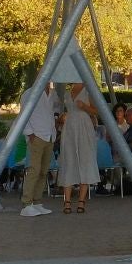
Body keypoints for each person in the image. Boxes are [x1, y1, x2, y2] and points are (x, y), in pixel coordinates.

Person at [54, 83, 99, 213]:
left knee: (85, 161)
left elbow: (97, 111)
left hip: (84, 126)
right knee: (68, 161)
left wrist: (84, 107)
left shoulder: (88, 90)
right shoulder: (68, 92)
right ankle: (67, 201)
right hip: (69, 127)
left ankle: (81, 201)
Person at [18, 81, 59, 217]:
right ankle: (27, 203)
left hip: (49, 136)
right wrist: (30, 133)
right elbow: (23, 114)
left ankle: (37, 201)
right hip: (36, 136)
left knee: (43, 171)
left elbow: (56, 107)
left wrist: (56, 120)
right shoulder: (29, 93)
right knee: (34, 170)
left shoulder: (52, 93)